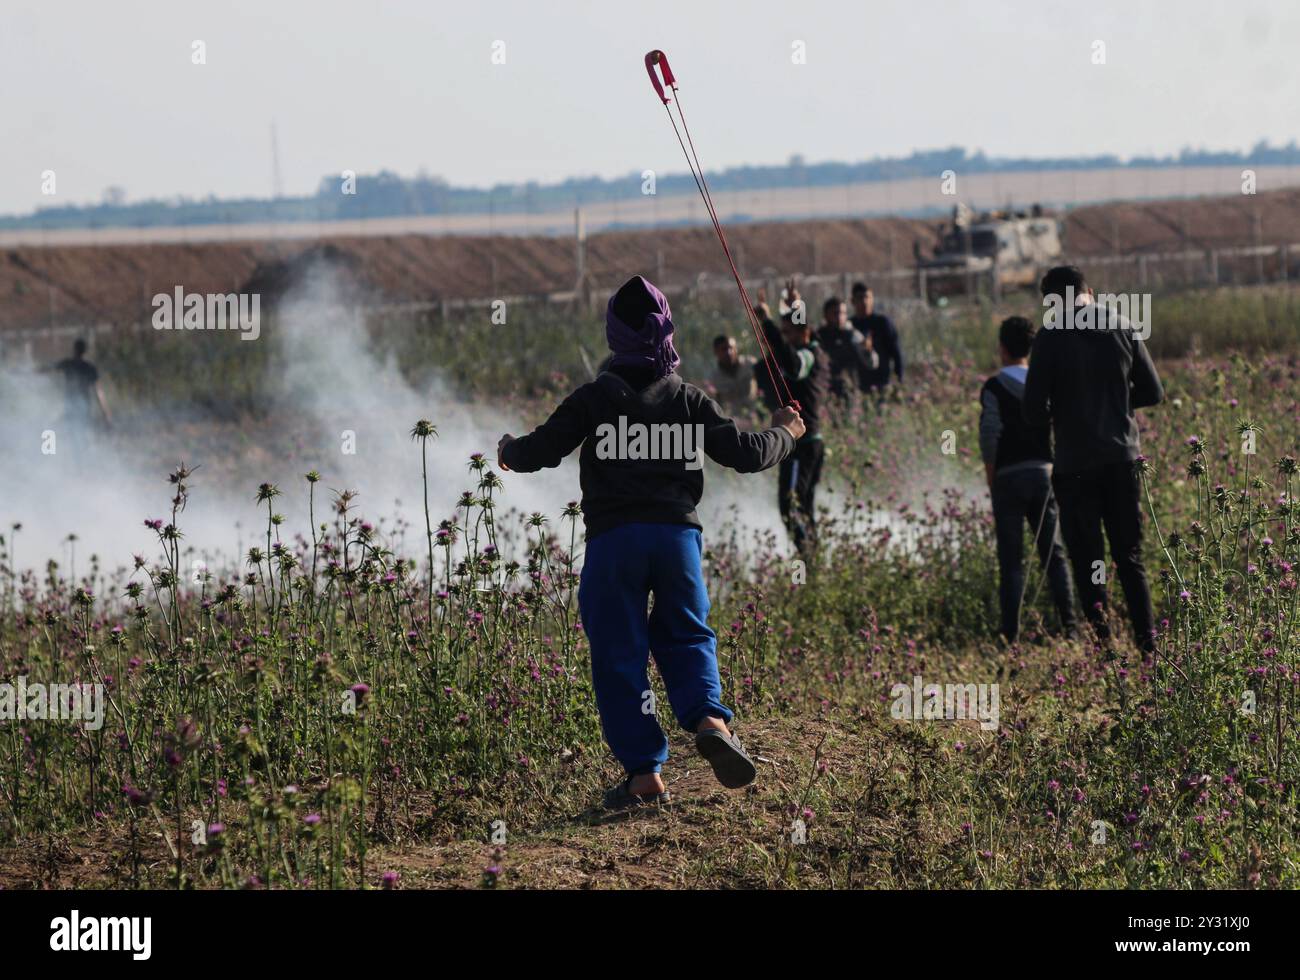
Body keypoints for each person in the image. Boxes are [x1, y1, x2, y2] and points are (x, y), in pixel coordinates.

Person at [496, 275, 805, 811]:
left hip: (615, 542)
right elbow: (750, 453)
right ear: (668, 332)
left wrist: (509, 449)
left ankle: (644, 775)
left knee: (620, 652)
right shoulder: (689, 401)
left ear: (614, 334)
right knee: (687, 634)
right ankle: (710, 720)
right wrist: (788, 431)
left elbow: (542, 449)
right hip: (677, 539)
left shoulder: (594, 399)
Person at [1024, 265, 1164, 653]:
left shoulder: (1050, 338)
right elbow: (1153, 392)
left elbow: (1033, 410)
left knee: (1090, 561)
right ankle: (1149, 651)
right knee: (1129, 556)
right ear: (1090, 291)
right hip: (1122, 461)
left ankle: (1106, 654)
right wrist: (1117, 401)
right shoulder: (1123, 325)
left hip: (1075, 466)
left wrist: (1063, 409)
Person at [979, 316, 1077, 643]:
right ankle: (1071, 628)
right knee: (1054, 555)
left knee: (1011, 562)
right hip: (1044, 475)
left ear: (1002, 348)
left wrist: (992, 478)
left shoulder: (993, 387)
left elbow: (989, 434)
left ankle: (1011, 635)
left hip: (1008, 478)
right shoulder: (1044, 382)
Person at [755, 282, 831, 556]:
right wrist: (794, 306)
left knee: (791, 505)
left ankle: (808, 561)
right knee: (801, 508)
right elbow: (794, 342)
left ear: (803, 332)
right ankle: (813, 563)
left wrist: (766, 321)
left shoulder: (809, 356)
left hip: (803, 446)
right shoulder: (812, 347)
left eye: (788, 333)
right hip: (803, 445)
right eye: (782, 333)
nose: (783, 339)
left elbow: (792, 364)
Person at [45, 339, 111, 445]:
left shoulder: (68, 364)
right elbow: (99, 392)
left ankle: (77, 455)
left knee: (73, 433)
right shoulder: (89, 367)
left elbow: (48, 368)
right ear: (85, 351)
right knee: (80, 432)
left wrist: (28, 371)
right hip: (84, 405)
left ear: (74, 350)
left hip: (72, 404)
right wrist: (106, 413)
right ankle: (81, 456)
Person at [815, 295, 877, 401]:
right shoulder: (818, 337)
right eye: (835, 313)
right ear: (826, 315)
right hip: (825, 393)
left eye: (843, 313)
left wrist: (868, 351)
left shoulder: (853, 335)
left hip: (849, 392)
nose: (840, 317)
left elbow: (872, 364)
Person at [850, 282, 903, 394]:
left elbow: (897, 354)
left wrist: (899, 383)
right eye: (860, 298)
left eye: (867, 297)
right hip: (857, 388)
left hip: (882, 384)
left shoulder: (882, 323)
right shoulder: (850, 326)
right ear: (853, 301)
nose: (864, 301)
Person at [709, 334, 757, 409]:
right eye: (723, 349)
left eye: (731, 348)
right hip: (734, 418)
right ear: (716, 352)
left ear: (736, 349)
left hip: (757, 415)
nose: (729, 352)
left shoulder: (750, 364)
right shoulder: (713, 378)